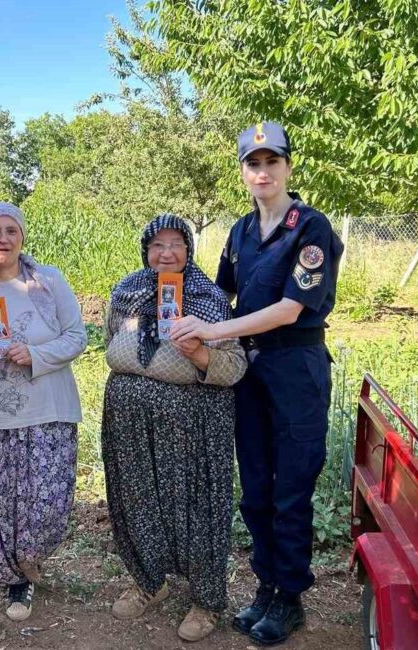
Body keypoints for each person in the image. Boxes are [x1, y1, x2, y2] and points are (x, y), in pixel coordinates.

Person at [171, 122, 343, 646]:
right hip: (249, 372)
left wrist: (214, 331)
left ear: (288, 166)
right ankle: (266, 585)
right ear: (243, 171)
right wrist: (161, 299)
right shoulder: (241, 232)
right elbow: (218, 293)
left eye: (272, 161)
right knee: (255, 488)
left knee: (290, 489)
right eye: (253, 163)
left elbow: (291, 309)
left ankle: (290, 598)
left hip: (295, 368)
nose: (262, 171)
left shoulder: (309, 228)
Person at [101, 214, 247, 642]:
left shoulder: (209, 298)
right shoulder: (127, 291)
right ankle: (149, 581)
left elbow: (235, 365)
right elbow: (111, 337)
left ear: (189, 249)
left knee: (198, 507)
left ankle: (206, 600)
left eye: (176, 244)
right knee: (138, 499)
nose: (166, 252)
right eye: (157, 244)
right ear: (145, 250)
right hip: (130, 422)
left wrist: (201, 355)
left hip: (192, 424)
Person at [0, 201, 87, 622]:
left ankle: (32, 556)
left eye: (10, 230)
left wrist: (36, 353)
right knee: (1, 505)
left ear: (22, 236)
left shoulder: (48, 281)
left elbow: (77, 337)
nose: (2, 239)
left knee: (49, 501)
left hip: (48, 409)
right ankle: (15, 581)